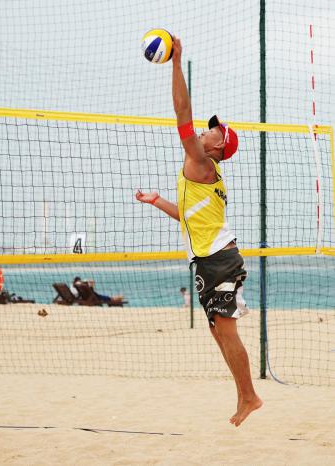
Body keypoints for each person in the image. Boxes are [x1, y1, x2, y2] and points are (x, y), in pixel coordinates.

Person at [136, 37, 262, 427]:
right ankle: (246, 395)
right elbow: (192, 220)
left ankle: (250, 397)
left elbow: (182, 112)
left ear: (219, 144)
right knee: (217, 332)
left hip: (220, 260)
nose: (206, 131)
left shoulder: (202, 162)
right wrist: (159, 201)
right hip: (211, 259)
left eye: (214, 131)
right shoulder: (204, 173)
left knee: (227, 330)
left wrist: (176, 61)